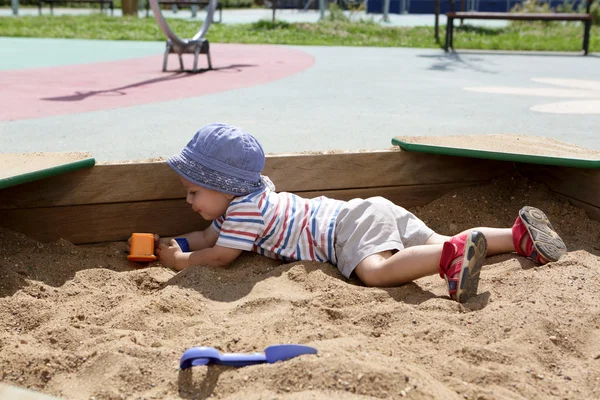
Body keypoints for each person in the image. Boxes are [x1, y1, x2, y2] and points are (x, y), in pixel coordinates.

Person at [144, 123, 567, 303]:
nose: (188, 202)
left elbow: (219, 255)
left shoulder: (244, 213)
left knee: (377, 272)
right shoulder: (249, 198)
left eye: (193, 191)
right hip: (368, 211)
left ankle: (450, 258)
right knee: (430, 239)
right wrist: (175, 244)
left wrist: (179, 262)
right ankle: (516, 236)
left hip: (343, 231)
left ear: (225, 188)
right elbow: (207, 238)